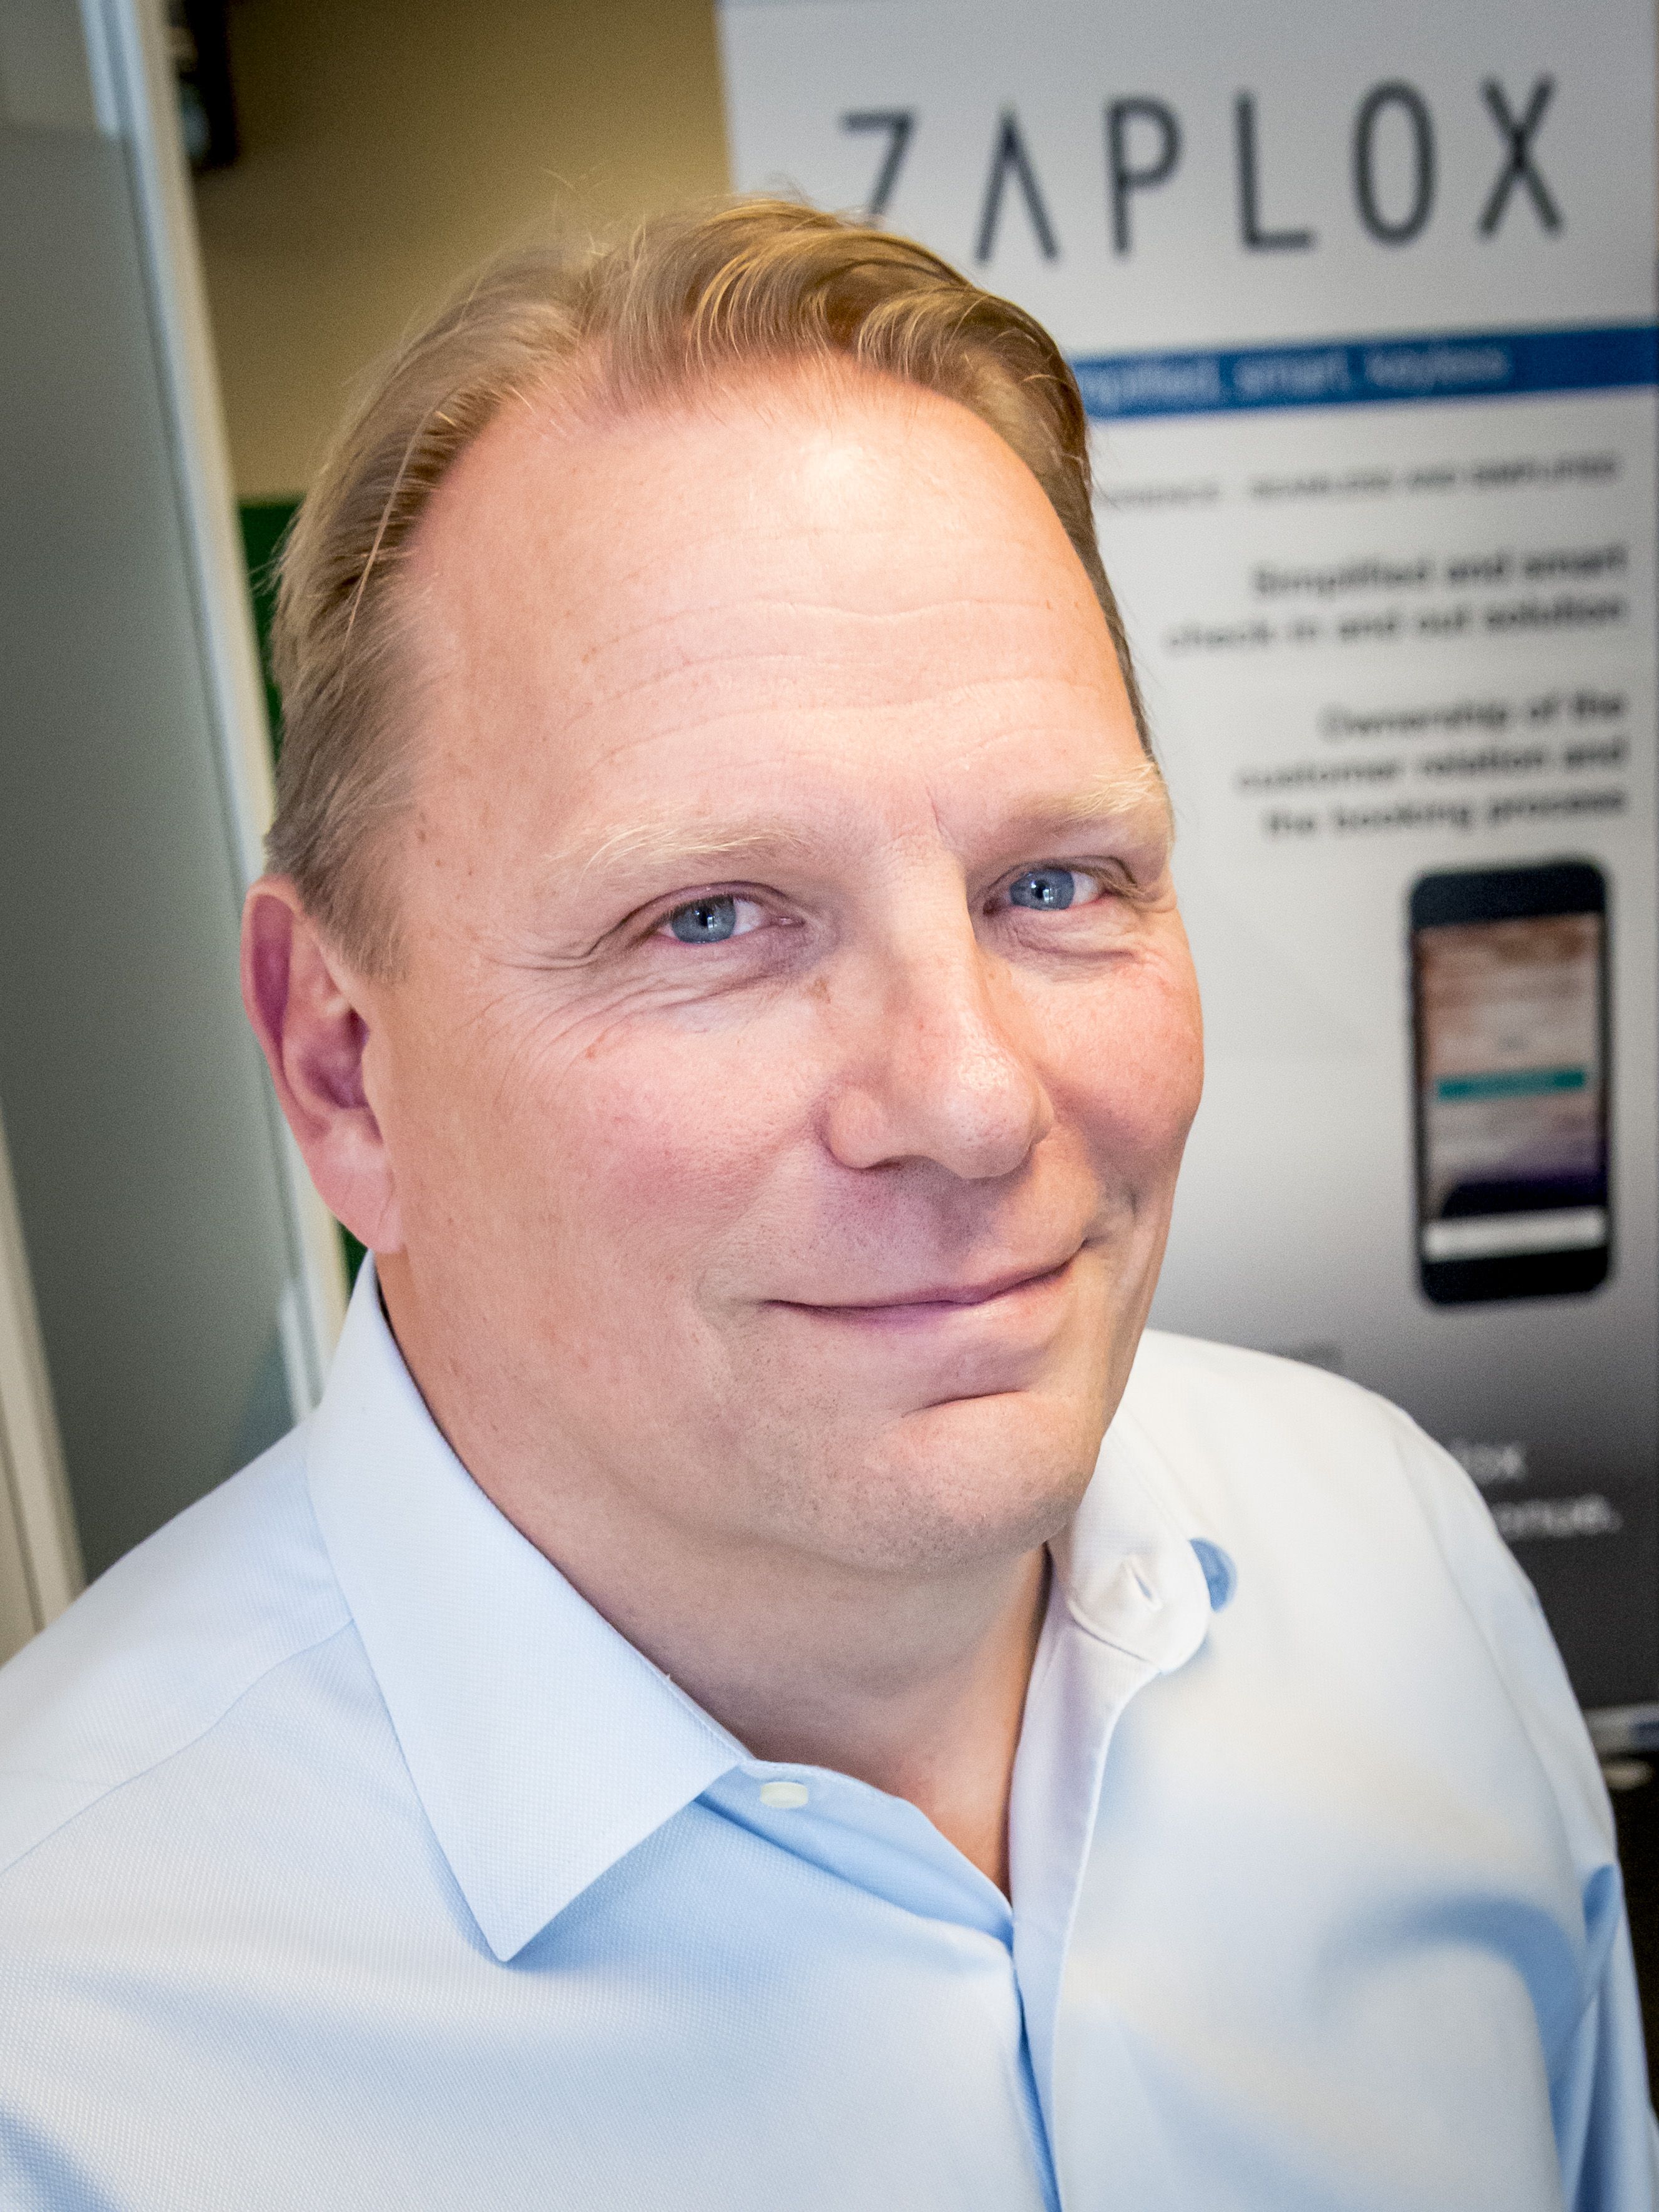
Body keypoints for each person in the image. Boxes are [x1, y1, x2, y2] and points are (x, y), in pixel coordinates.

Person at [0, 200, 1652, 2211]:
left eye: (1055, 883)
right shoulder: (59, 2054)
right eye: (711, 917)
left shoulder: (1390, 1562)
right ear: (344, 1067)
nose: (970, 1100)